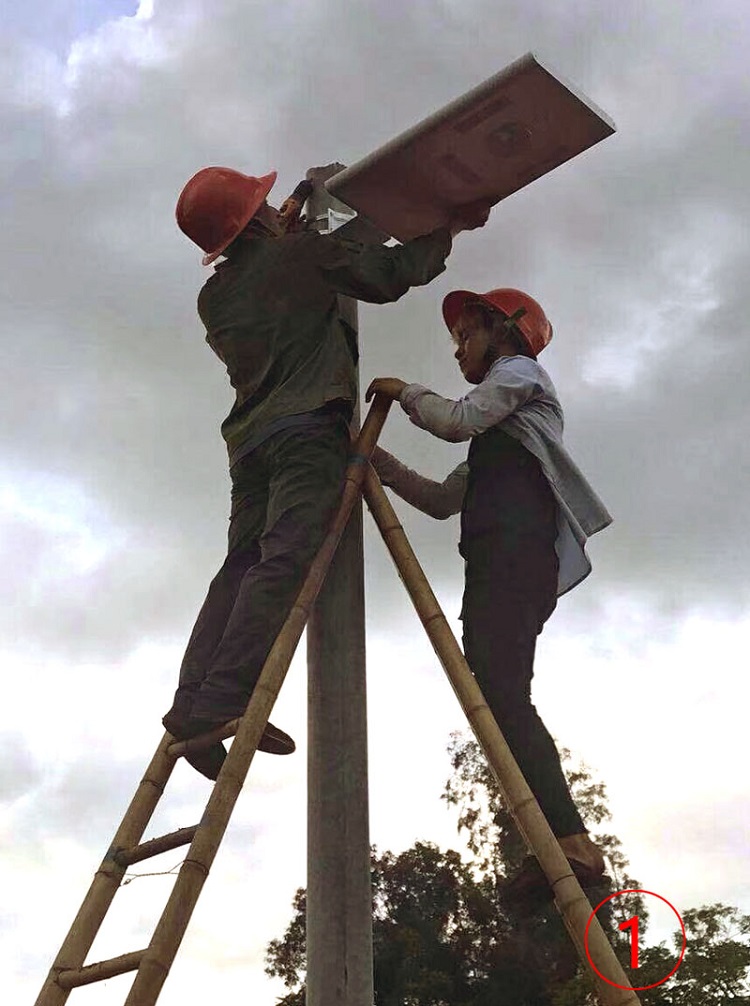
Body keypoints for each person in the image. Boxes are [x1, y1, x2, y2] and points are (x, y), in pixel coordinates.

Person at [163, 165, 491, 780]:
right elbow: (387, 275)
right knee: (285, 559)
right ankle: (223, 700)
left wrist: (289, 216)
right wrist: (448, 230)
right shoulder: (299, 256)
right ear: (254, 221)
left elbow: (271, 260)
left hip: (251, 441)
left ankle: (193, 703)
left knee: (241, 566)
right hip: (307, 430)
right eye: (260, 203)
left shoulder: (216, 297)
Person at [365, 287, 612, 910]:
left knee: (504, 697)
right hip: (497, 565)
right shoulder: (503, 436)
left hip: (516, 558)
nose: (457, 351)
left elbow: (454, 420)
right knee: (498, 703)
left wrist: (403, 393)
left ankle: (573, 847)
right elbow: (442, 499)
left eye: (465, 336)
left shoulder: (522, 375)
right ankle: (552, 846)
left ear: (506, 332)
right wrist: (376, 461)